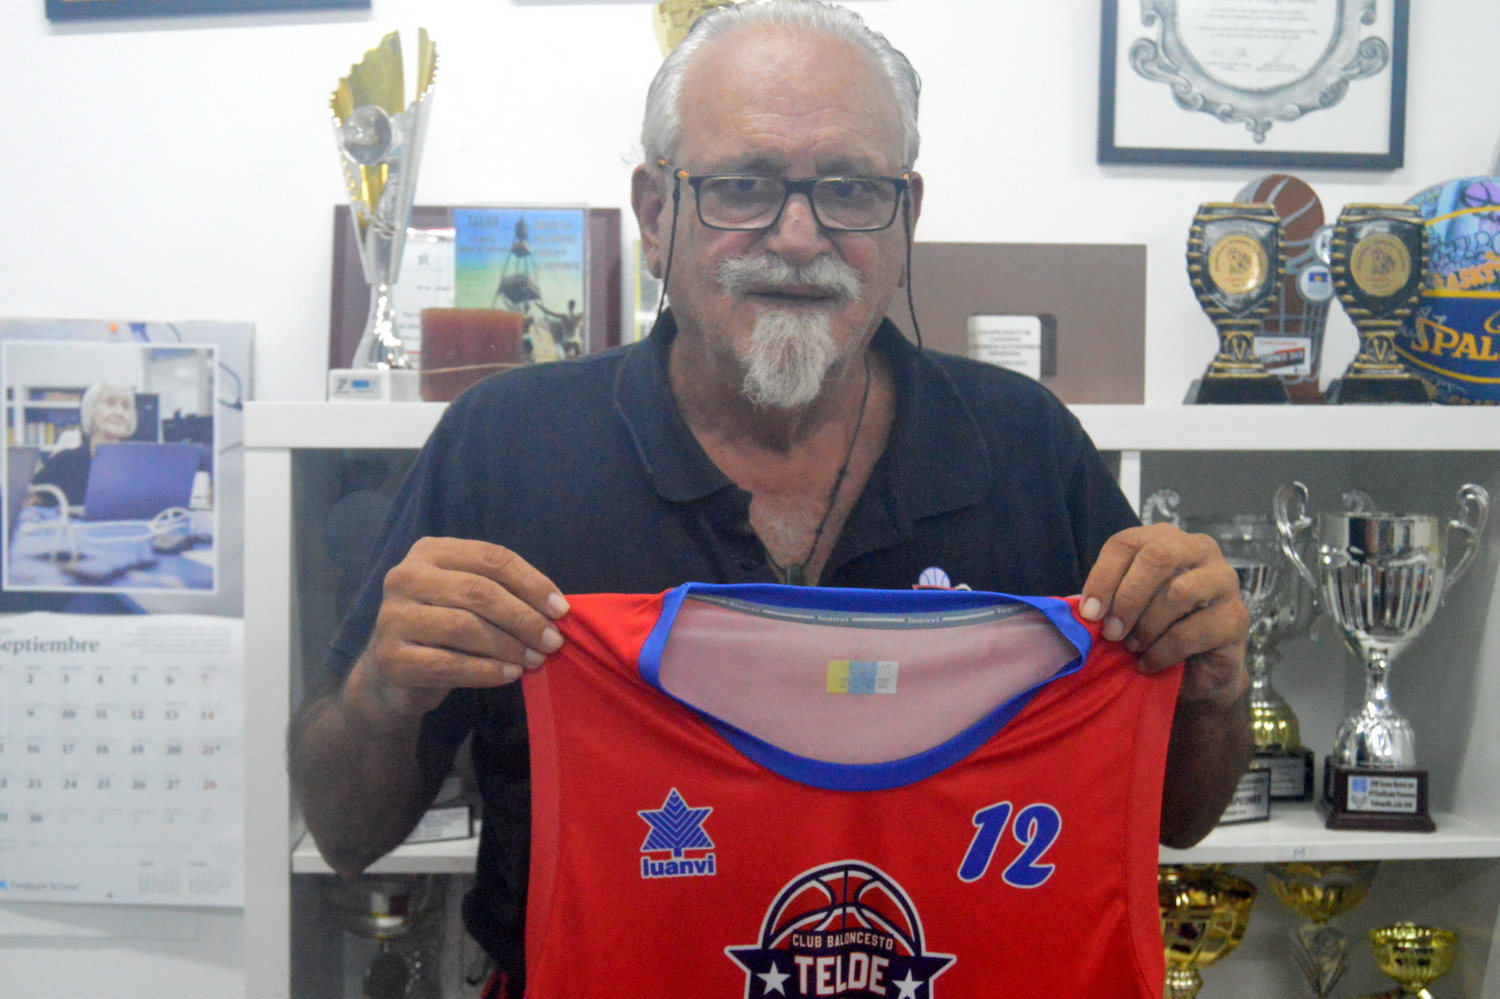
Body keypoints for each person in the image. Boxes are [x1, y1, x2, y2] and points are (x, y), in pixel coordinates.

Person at [289, 2, 1252, 994]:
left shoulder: (1025, 446)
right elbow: (346, 834)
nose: (797, 237)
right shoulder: (508, 445)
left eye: (850, 189)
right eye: (742, 185)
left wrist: (1215, 686)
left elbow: (1177, 818)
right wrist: (382, 697)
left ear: (906, 218)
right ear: (656, 215)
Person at [29, 382, 137, 507]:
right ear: (91, 411)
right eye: (110, 403)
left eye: (126, 407)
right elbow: (29, 498)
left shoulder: (137, 467)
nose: (119, 413)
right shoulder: (63, 462)